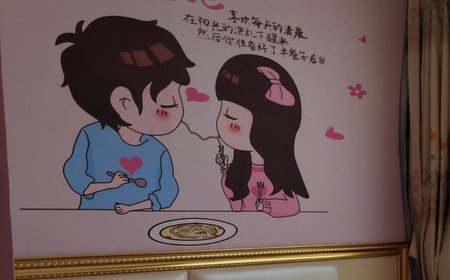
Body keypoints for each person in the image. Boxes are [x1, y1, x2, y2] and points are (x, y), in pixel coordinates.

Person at [57, 16, 194, 213]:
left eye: (177, 95)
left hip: (145, 225)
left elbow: (167, 193)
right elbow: (75, 175)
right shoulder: (91, 136)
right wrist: (109, 185)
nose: (176, 109)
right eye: (164, 106)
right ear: (124, 103)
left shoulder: (158, 151)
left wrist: (132, 208)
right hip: (92, 223)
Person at [214, 54, 307, 216]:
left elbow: (293, 207)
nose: (222, 126)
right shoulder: (240, 169)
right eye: (224, 114)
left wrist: (266, 207)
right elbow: (236, 207)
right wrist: (226, 178)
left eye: (233, 121)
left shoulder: (279, 173)